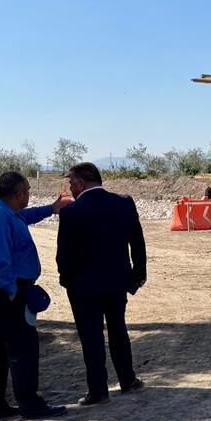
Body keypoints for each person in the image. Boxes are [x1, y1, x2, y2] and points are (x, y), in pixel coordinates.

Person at [0, 172, 71, 420]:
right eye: (27, 191)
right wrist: (12, 292)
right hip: (1, 290)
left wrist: (51, 208)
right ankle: (30, 404)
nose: (29, 195)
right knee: (22, 346)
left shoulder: (5, 213)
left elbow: (26, 216)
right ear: (18, 194)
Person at [57, 162, 147, 406]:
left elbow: (64, 254)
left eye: (71, 183)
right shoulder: (123, 203)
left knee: (91, 337)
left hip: (83, 286)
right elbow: (137, 243)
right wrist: (138, 276)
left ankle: (98, 390)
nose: (70, 188)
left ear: (80, 183)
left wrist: (67, 280)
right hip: (117, 281)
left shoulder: (71, 212)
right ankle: (127, 379)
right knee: (118, 329)